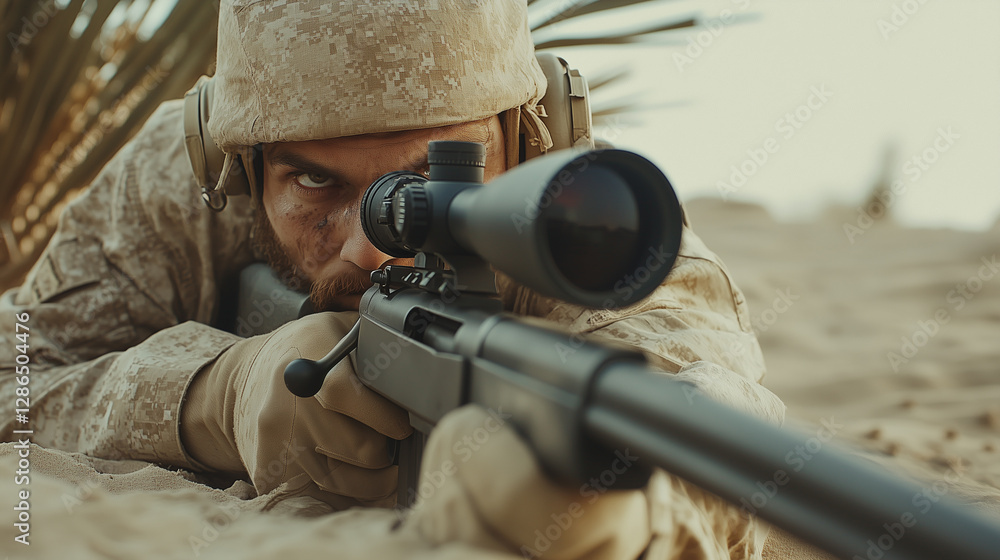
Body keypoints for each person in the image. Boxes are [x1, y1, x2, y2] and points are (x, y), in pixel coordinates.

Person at [0, 1, 785, 558]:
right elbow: (17, 370)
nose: (373, 251)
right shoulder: (178, 185)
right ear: (233, 165)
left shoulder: (591, 222)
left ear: (537, 135)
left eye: (440, 175)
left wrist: (614, 519)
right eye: (316, 184)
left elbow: (716, 423)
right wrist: (212, 397)